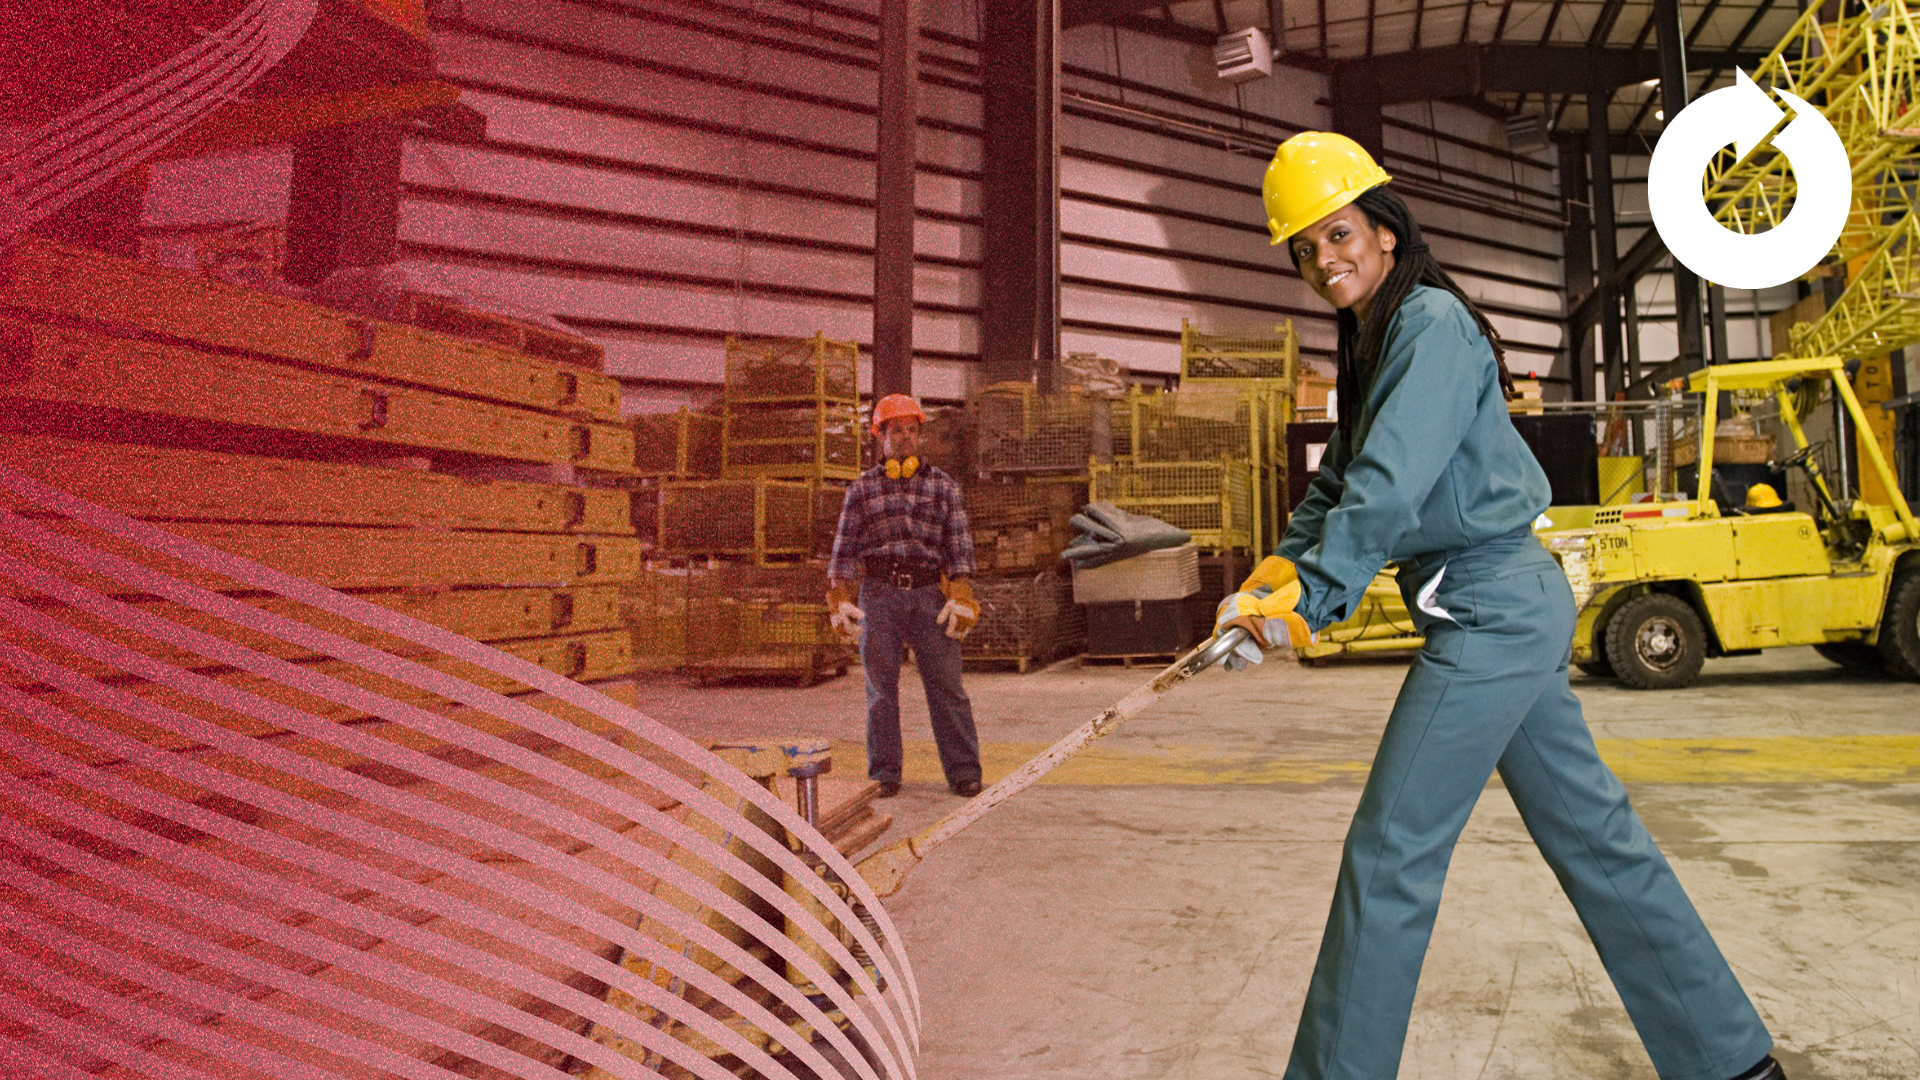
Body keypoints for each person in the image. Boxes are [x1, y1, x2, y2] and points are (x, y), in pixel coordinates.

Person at [1214, 132, 1787, 1080]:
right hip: (1492, 604)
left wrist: (1315, 596)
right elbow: (1343, 481)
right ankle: (1731, 1060)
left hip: (1489, 604)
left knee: (1389, 854)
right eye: (1306, 249)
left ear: (1386, 228)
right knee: (1598, 842)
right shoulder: (1376, 334)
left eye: (1340, 233)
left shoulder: (1429, 325)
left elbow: (1391, 485)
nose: (1326, 260)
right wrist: (1271, 574)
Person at [826, 393, 985, 798]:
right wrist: (839, 598)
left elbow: (960, 547)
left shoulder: (944, 487)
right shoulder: (861, 490)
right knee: (880, 690)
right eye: (897, 431)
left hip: (931, 596)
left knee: (947, 686)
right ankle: (885, 773)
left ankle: (964, 770)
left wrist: (961, 594)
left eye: (912, 431)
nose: (906, 438)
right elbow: (843, 550)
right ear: (880, 435)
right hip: (878, 597)